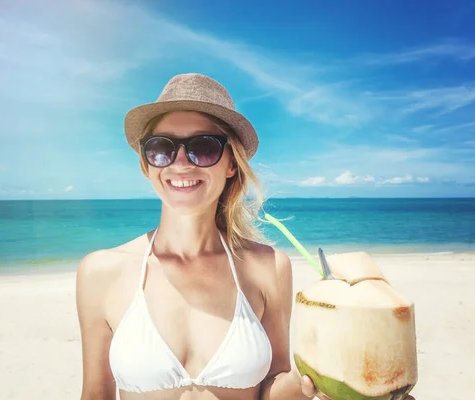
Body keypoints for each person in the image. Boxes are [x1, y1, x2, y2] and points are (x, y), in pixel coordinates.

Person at [76, 73, 417, 400]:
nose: (180, 163)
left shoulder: (269, 267)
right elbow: (94, 395)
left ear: (230, 164)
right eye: (161, 148)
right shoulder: (101, 272)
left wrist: (310, 381)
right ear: (147, 164)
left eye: (203, 146)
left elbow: (274, 388)